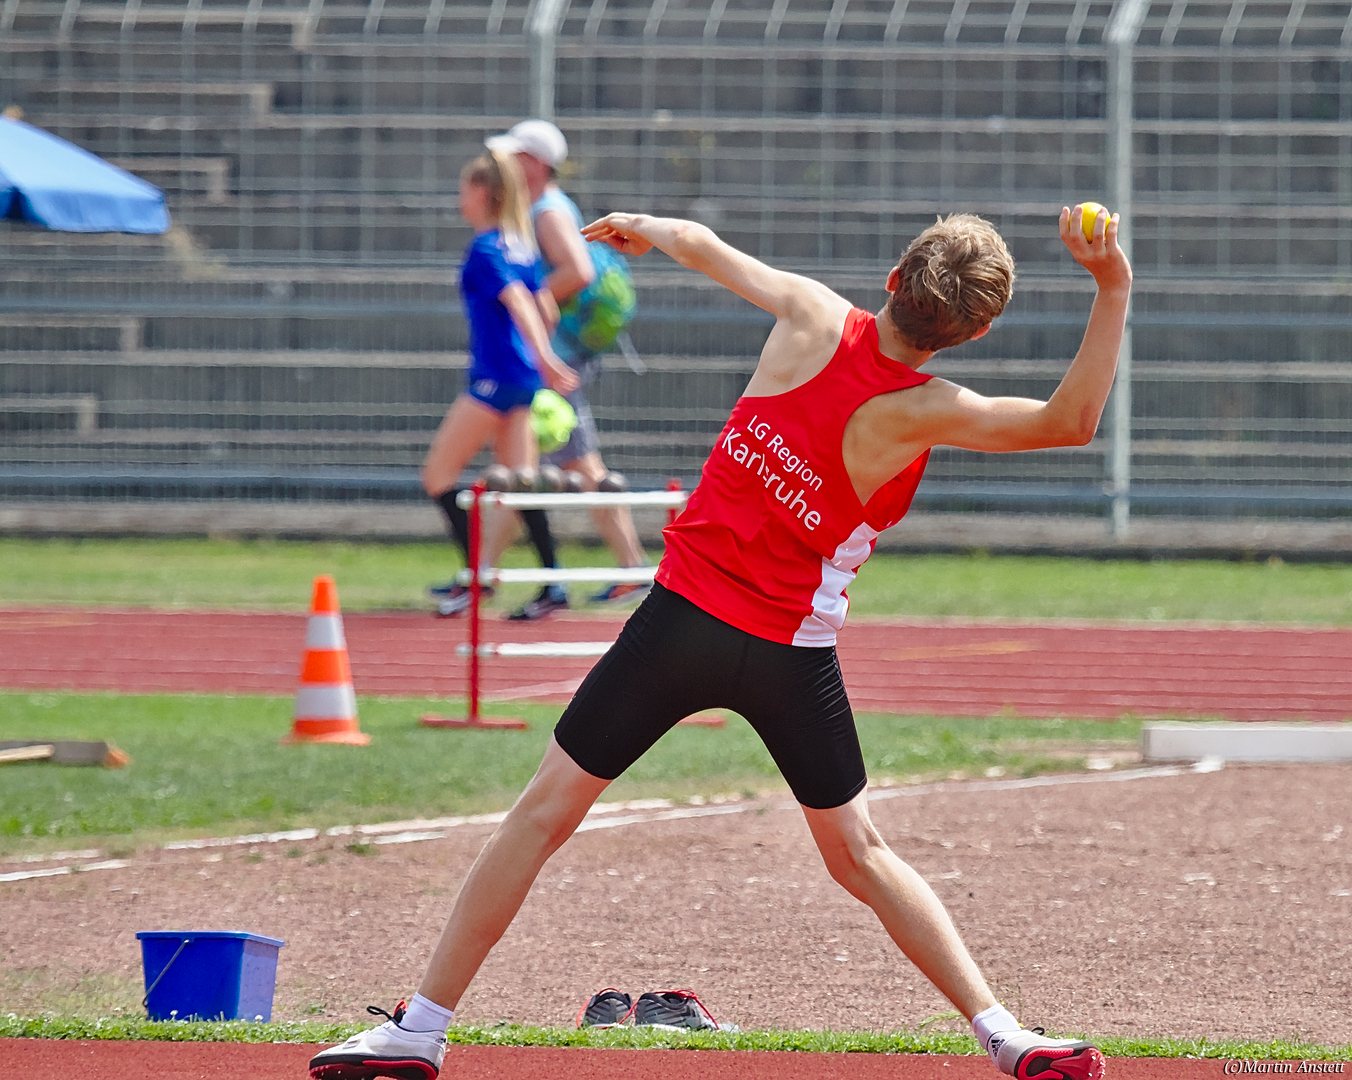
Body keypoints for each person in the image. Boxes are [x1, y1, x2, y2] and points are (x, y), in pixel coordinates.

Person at [309, 203, 1130, 1080]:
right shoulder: (932, 409)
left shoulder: (812, 313)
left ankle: (422, 1028)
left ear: (893, 279)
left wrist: (640, 226)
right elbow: (1070, 421)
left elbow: (701, 245)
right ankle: (1005, 1035)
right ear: (974, 333)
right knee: (860, 852)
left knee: (541, 816)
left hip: (678, 626)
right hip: (790, 656)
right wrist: (1111, 282)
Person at [480, 119, 648, 622]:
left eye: (514, 157)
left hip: (561, 357)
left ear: (534, 163)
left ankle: (630, 569)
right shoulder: (545, 207)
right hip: (558, 354)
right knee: (535, 461)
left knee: (558, 463)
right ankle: (483, 573)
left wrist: (528, 300)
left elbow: (579, 271)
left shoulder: (547, 211)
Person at [424, 149, 579, 617]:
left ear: (482, 192)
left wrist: (544, 356)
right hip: (520, 377)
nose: (459, 198)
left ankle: (476, 578)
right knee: (522, 483)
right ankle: (553, 584)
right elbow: (545, 306)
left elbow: (520, 301)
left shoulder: (488, 248)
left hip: (496, 378)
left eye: (464, 188)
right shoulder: (521, 245)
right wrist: (539, 357)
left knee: (438, 476)